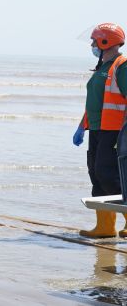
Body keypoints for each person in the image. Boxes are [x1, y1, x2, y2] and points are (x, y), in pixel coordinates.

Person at [73, 23, 127, 238]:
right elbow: (95, 103)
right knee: (96, 175)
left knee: (111, 176)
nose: (92, 45)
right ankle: (104, 227)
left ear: (106, 42)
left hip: (115, 131)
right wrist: (81, 127)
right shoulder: (102, 68)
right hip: (98, 130)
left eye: (95, 41)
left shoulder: (122, 66)